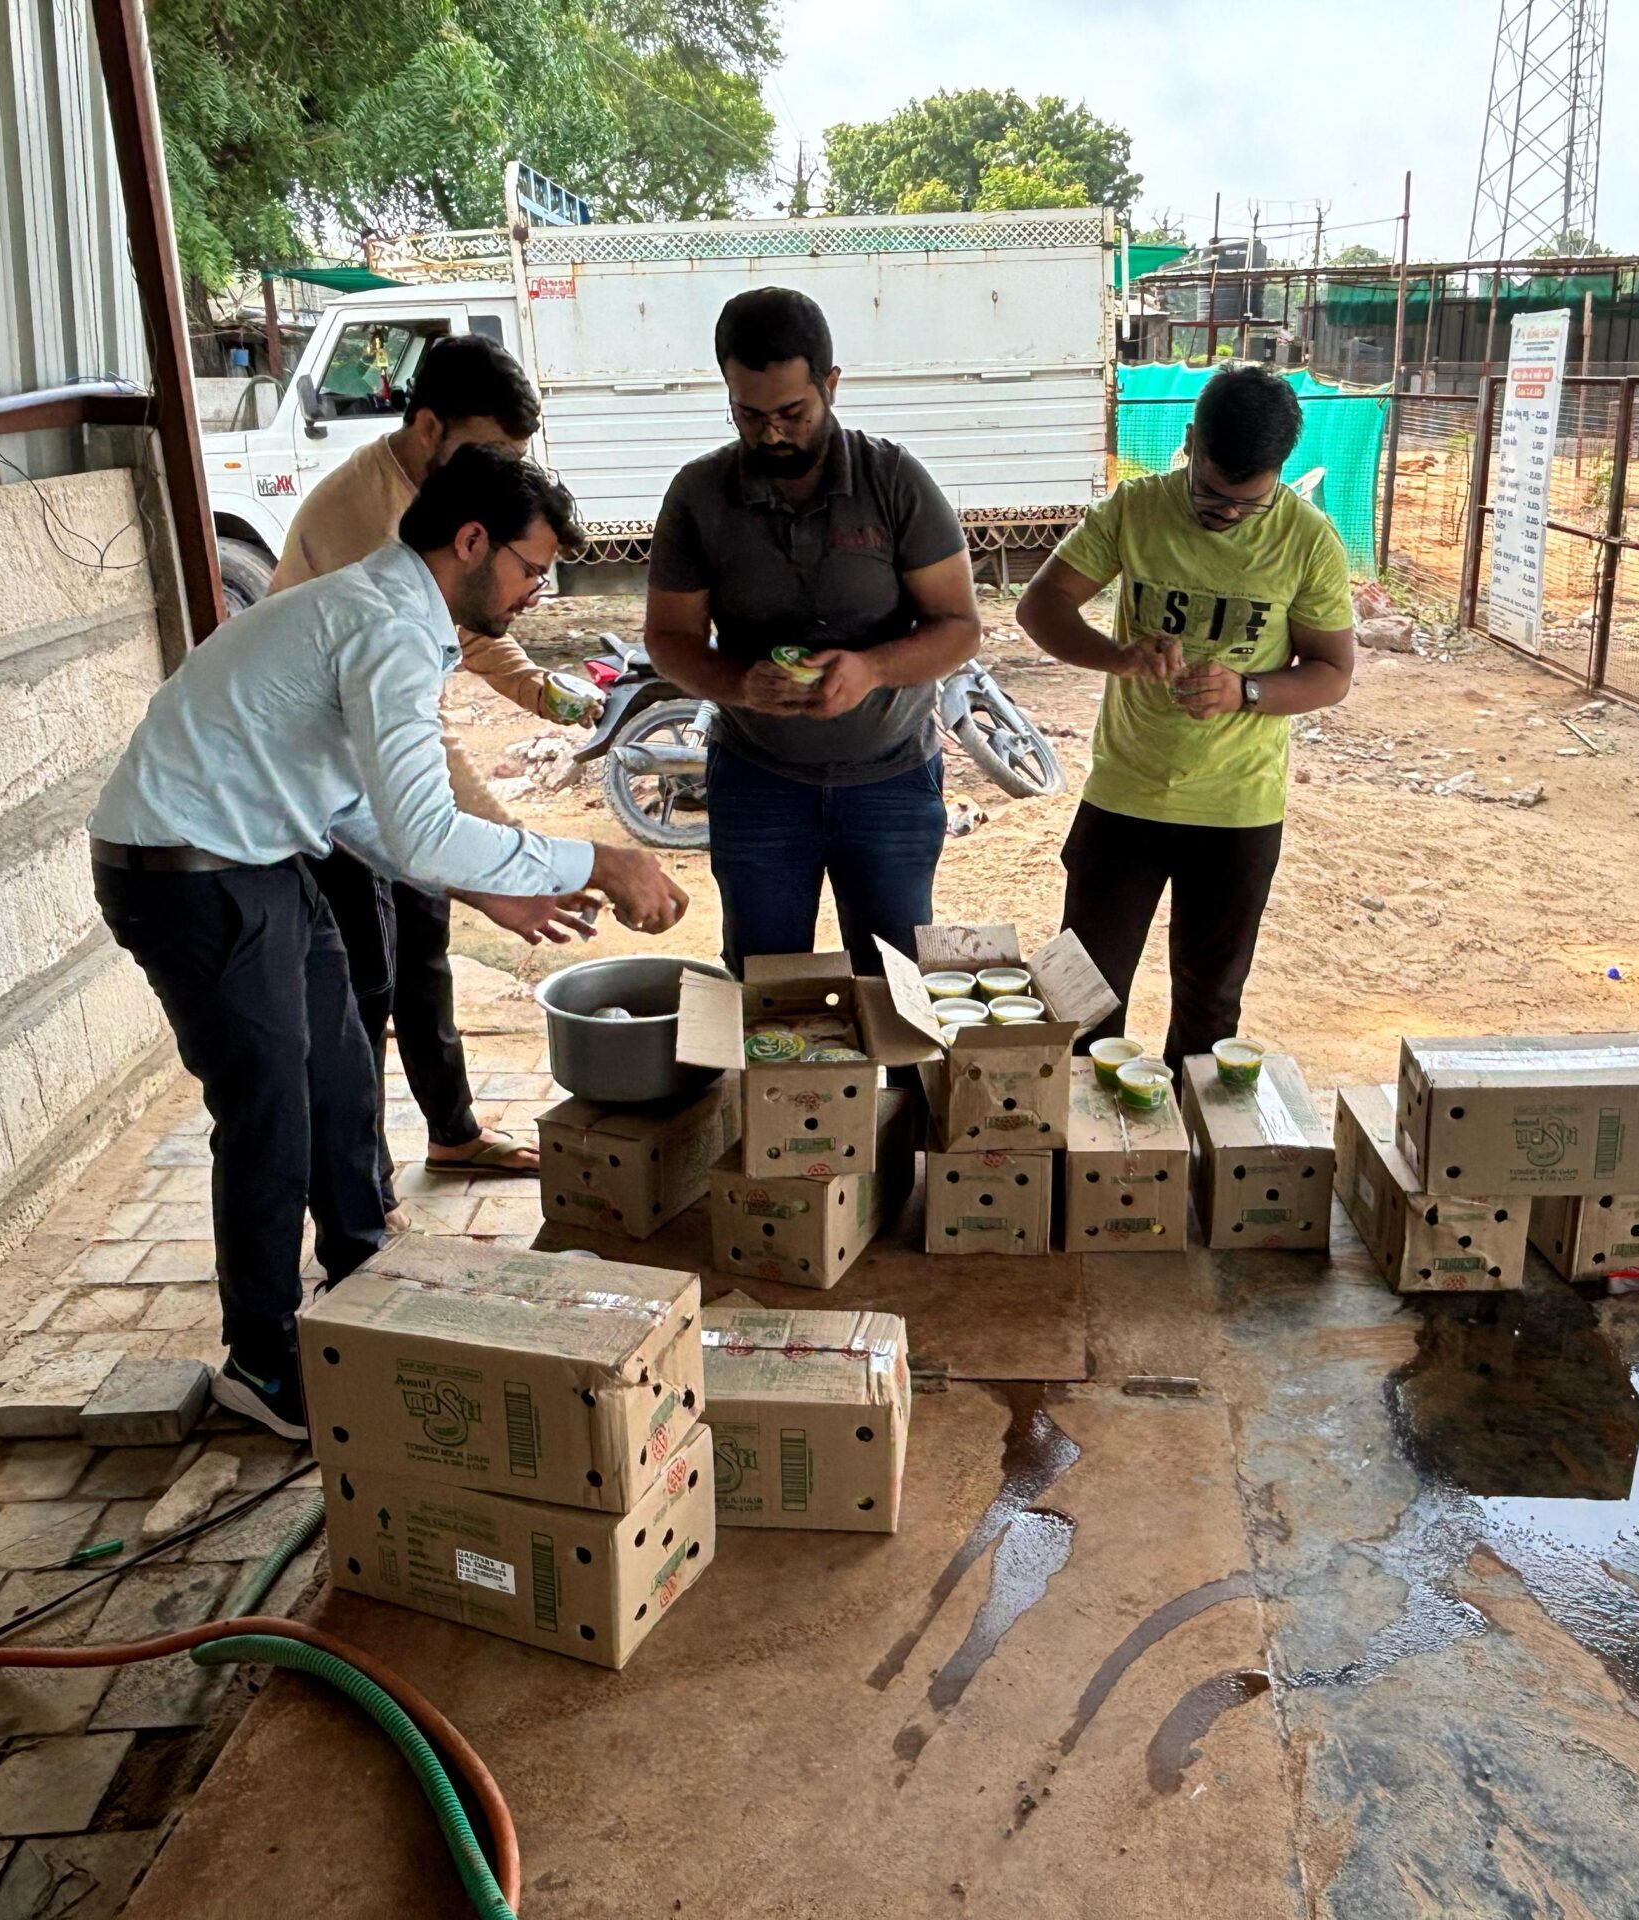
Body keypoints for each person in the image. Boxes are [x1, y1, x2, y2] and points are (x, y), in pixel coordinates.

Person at [90, 447, 690, 1439]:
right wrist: (597, 861)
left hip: (259, 851)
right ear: (470, 543)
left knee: (337, 1068)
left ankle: (368, 1272)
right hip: (186, 871)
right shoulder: (384, 626)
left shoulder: (392, 612)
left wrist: (488, 892)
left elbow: (362, 809)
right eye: (532, 567)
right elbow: (412, 826)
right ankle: (263, 1362)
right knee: (269, 1111)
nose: (539, 592)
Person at [270, 332, 595, 1211]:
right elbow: (419, 749)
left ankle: (450, 1135)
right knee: (358, 988)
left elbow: (481, 617)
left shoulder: (456, 505)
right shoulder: (360, 517)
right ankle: (358, 1193)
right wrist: (515, 847)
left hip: (377, 762)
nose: (498, 471)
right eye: (486, 452)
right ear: (425, 425)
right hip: (326, 782)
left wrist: (540, 692)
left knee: (424, 955)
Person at [1015, 363, 1355, 1067]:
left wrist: (1247, 692)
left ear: (1280, 469)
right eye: (1211, 494)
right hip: (1126, 797)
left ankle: (1184, 1168)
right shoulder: (1135, 509)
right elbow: (1039, 606)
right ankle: (1082, 1169)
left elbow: (1332, 674)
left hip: (1237, 811)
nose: (1227, 513)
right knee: (1082, 1000)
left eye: (1247, 502)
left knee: (1209, 1009)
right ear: (1191, 442)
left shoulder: (1308, 540)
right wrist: (1118, 657)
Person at [643, 287, 980, 973]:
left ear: (831, 384)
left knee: (896, 987)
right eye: (749, 414)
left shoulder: (895, 481)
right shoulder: (699, 495)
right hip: (756, 780)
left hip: (891, 780)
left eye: (792, 412)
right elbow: (668, 639)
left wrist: (875, 669)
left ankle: (901, 1089)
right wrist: (740, 683)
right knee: (764, 989)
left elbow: (960, 628)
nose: (771, 433)